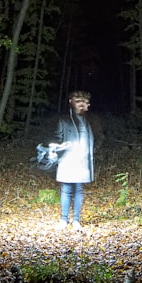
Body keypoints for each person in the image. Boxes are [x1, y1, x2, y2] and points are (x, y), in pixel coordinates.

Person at [52, 90, 94, 230]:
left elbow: (99, 137)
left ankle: (76, 220)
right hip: (68, 159)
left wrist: (91, 151)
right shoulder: (64, 120)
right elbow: (57, 138)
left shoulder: (91, 121)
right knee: (66, 189)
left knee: (79, 189)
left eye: (84, 102)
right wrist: (58, 148)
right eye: (78, 102)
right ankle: (63, 219)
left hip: (83, 161)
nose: (82, 105)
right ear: (71, 102)